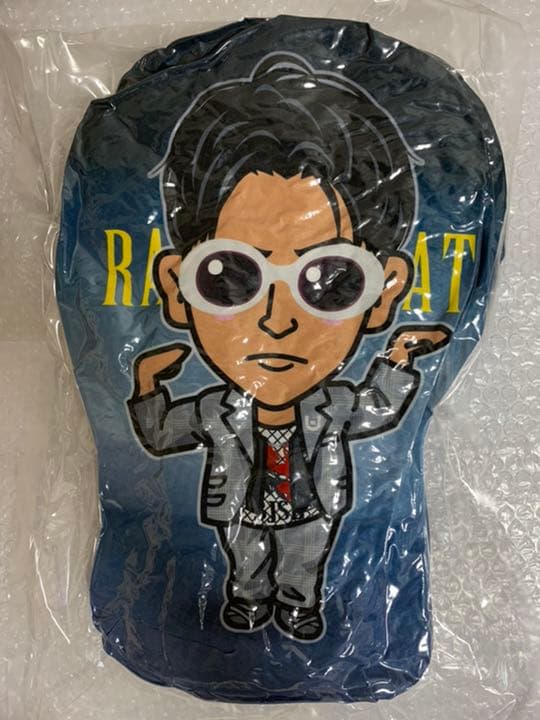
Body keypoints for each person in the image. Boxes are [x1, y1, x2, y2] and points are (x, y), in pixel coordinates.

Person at [127, 52, 449, 642]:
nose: (277, 322)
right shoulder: (216, 410)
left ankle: (299, 603)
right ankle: (250, 598)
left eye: (330, 283)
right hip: (243, 508)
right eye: (229, 277)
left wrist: (399, 356)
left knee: (305, 556)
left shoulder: (333, 407)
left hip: (311, 505)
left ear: (384, 294)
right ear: (176, 287)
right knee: (246, 556)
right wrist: (147, 386)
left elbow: (377, 408)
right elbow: (163, 434)